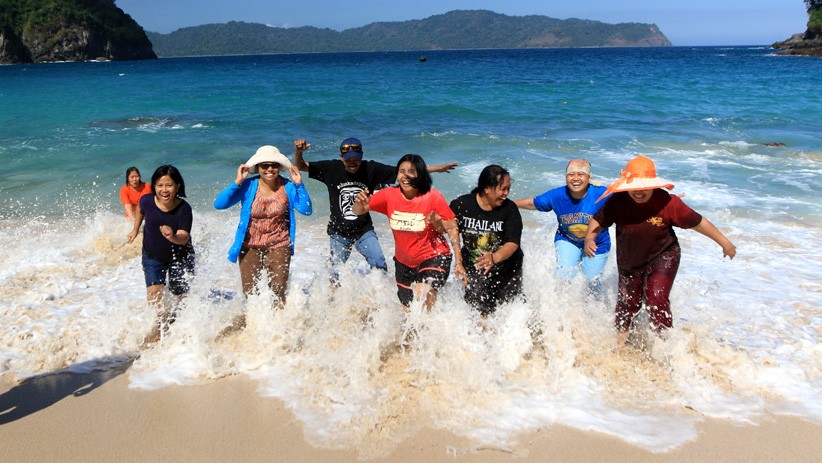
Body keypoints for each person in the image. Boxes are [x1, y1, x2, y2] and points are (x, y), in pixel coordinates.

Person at [583, 155, 736, 347]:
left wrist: (725, 243)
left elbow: (698, 223)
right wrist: (590, 237)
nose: (638, 193)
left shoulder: (668, 203)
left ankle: (665, 344)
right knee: (627, 304)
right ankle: (621, 345)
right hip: (629, 260)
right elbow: (599, 219)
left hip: (663, 255)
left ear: (653, 185)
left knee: (656, 299)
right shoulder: (618, 201)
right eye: (634, 188)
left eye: (643, 188)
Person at [293, 137, 457, 281]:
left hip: (363, 230)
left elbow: (404, 173)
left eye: (355, 159)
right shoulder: (330, 168)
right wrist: (298, 151)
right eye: (348, 159)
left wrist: (436, 169)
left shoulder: (371, 169)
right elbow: (301, 166)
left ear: (361, 156)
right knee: (335, 273)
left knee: (379, 264)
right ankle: (333, 301)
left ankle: (382, 299)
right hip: (338, 232)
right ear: (341, 157)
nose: (352, 163)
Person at [352, 154, 464, 310]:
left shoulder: (432, 196)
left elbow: (452, 227)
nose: (405, 176)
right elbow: (358, 211)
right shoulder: (389, 195)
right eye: (401, 171)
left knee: (423, 292)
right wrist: (358, 204)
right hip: (404, 262)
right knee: (407, 309)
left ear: (420, 174)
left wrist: (459, 261)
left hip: (435, 256)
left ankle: (428, 330)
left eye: (411, 171)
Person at [214, 145, 312, 316]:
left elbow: (306, 210)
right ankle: (253, 329)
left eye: (273, 165)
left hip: (280, 245)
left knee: (278, 293)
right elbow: (220, 204)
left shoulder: (288, 186)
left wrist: (299, 185)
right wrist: (237, 182)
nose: (269, 169)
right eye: (264, 165)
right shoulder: (248, 186)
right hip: (249, 245)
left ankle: (277, 332)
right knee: (250, 294)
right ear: (257, 168)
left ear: (279, 167)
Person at [127, 165, 195, 345]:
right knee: (154, 291)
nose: (164, 190)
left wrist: (172, 236)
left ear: (178, 186)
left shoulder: (184, 209)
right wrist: (135, 230)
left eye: (169, 185)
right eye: (160, 185)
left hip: (180, 256)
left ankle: (178, 323)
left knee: (179, 293)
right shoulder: (147, 200)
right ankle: (160, 326)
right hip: (152, 254)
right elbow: (140, 211)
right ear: (154, 186)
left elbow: (184, 236)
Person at [514, 159, 610, 285]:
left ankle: (593, 305)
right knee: (564, 277)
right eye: (571, 174)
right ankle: (563, 304)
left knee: (593, 281)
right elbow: (532, 204)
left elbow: (626, 200)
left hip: (597, 242)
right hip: (568, 240)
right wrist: (508, 204)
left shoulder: (602, 194)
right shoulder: (557, 195)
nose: (575, 178)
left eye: (581, 174)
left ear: (588, 177)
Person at [450, 165, 524, 316]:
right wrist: (458, 261)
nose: (506, 193)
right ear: (486, 188)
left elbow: (513, 242)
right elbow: (451, 229)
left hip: (508, 265)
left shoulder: (510, 209)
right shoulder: (462, 205)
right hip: (475, 263)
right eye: (502, 189)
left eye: (508, 189)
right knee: (476, 305)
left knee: (508, 307)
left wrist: (494, 258)